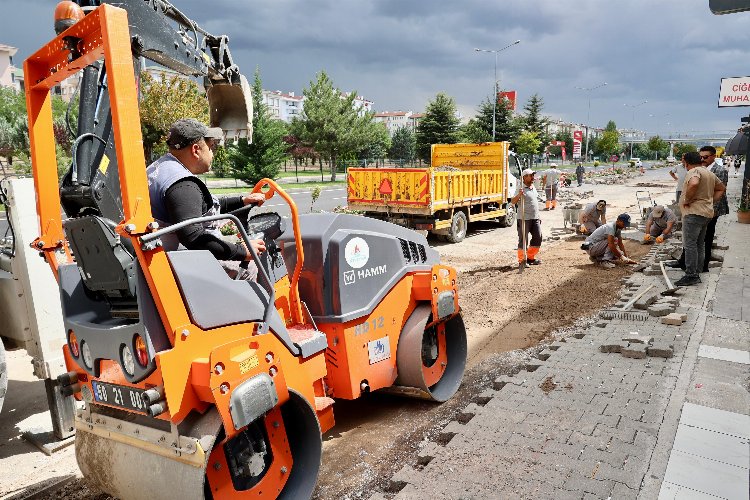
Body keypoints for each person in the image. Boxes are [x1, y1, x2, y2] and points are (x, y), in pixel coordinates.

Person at [147, 118, 266, 280]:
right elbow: (194, 237)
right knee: (251, 266)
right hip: (176, 265)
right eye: (210, 148)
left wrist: (243, 200)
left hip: (163, 257)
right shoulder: (183, 185)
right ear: (196, 150)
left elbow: (203, 206)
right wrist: (241, 251)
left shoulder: (163, 168)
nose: (212, 154)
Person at [671, 151, 725, 287]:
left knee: (689, 244)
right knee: (700, 244)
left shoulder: (693, 171)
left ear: (686, 163)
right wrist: (709, 201)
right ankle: (697, 270)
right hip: (706, 213)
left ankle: (691, 275)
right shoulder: (709, 173)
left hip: (694, 213)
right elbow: (721, 188)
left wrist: (687, 200)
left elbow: (694, 183)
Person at [700, 146, 729, 273]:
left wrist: (713, 211)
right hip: (701, 207)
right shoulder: (700, 169)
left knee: (708, 235)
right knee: (698, 235)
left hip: (712, 209)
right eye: (700, 156)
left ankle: (704, 264)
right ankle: (687, 261)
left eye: (705, 157)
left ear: (713, 156)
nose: (702, 159)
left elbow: (720, 191)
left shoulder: (720, 170)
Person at [510, 168, 542, 265]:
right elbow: (513, 202)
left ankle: (530, 257)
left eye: (533, 175)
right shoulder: (520, 188)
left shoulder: (533, 187)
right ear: (524, 177)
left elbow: (535, 202)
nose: (533, 177)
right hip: (524, 218)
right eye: (531, 175)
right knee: (523, 240)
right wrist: (519, 194)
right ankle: (522, 260)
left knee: (538, 237)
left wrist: (538, 216)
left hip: (535, 218)